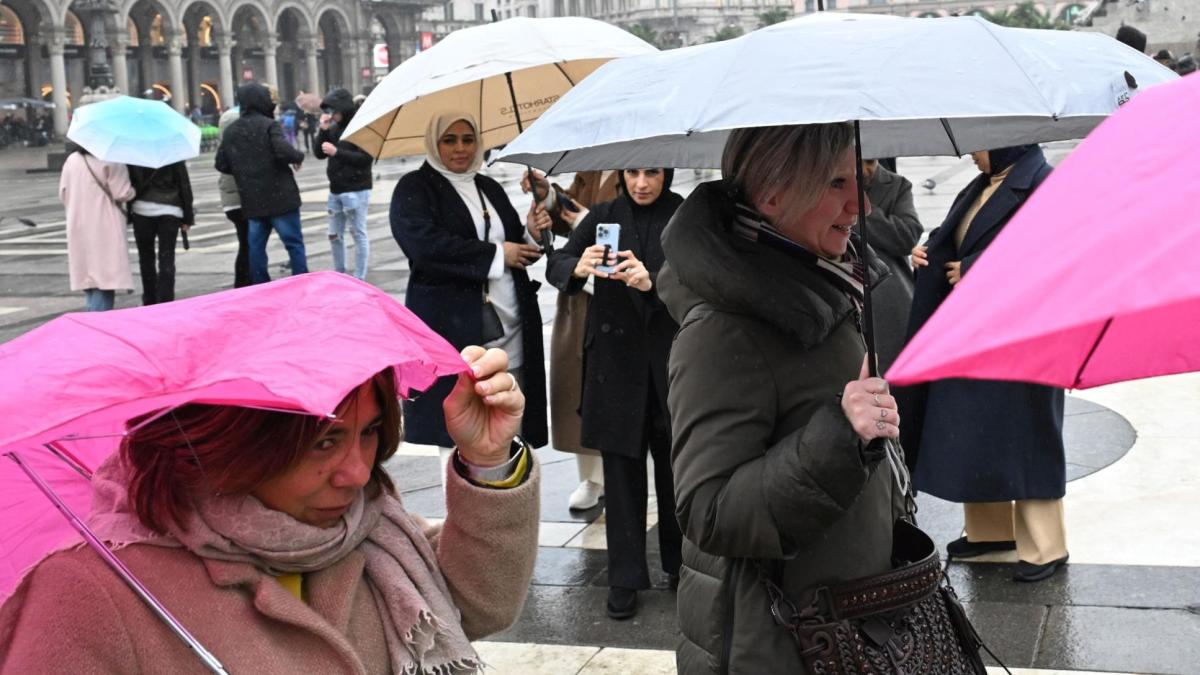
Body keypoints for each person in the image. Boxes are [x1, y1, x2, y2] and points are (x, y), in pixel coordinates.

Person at [0, 346, 540, 672]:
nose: (357, 472)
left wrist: (486, 459)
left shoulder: (367, 528)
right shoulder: (88, 594)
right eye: (324, 442)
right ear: (238, 445)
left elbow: (477, 605)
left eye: (370, 433)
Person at [657, 124, 903, 672]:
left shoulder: (827, 289)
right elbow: (708, 510)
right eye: (835, 182)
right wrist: (841, 433)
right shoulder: (721, 332)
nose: (859, 203)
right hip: (777, 642)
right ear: (772, 196)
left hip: (846, 626)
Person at [904, 145, 1067, 582]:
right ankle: (991, 532)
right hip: (977, 328)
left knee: (1028, 434)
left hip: (1022, 335)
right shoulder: (983, 184)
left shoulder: (1043, 183)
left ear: (1005, 142)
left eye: (980, 144)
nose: (972, 152)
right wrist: (928, 250)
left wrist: (977, 268)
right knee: (979, 429)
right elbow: (962, 234)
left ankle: (1046, 546)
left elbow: (1052, 252)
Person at [545, 168, 684, 620]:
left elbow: (705, 276)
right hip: (615, 366)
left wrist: (654, 281)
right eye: (633, 173)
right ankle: (625, 576)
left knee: (675, 470)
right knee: (622, 477)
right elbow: (556, 264)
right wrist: (577, 267)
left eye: (652, 173)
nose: (642, 183)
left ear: (667, 172)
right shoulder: (604, 214)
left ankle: (680, 566)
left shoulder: (683, 214)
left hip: (669, 361)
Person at [390, 113, 548, 468]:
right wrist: (494, 254)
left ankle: (511, 499)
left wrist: (530, 233)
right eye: (450, 140)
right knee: (459, 425)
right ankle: (465, 512)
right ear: (434, 143)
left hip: (510, 322)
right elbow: (425, 247)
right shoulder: (415, 188)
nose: (460, 148)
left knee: (510, 417)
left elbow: (512, 247)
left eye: (467, 139)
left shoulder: (487, 186)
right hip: (453, 327)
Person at [524, 169, 620, 511]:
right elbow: (568, 217)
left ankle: (631, 475)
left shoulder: (641, 165)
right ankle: (593, 477)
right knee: (582, 387)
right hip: (583, 293)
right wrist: (548, 196)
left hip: (622, 293)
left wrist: (587, 222)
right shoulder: (593, 166)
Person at [216, 83, 309, 285]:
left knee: (256, 248)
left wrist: (245, 169)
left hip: (253, 199)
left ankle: (261, 285)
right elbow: (283, 151)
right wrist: (298, 156)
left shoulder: (232, 130)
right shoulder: (268, 125)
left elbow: (221, 163)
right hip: (280, 197)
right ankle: (301, 282)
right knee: (293, 244)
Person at [861, 158, 923, 373]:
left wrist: (862, 209)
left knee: (894, 376)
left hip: (889, 299)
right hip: (849, 297)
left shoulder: (897, 185)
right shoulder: (825, 185)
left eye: (870, 161)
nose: (864, 169)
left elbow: (907, 236)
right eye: (856, 162)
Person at [59, 143, 136, 311]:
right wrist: (134, 191)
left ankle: (94, 321)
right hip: (104, 226)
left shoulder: (72, 160)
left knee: (90, 281)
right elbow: (122, 193)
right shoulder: (113, 159)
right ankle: (96, 328)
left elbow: (63, 194)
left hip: (78, 225)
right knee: (105, 280)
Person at [315, 88, 374, 280]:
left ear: (344, 108)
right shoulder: (333, 129)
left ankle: (359, 276)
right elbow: (319, 153)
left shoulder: (360, 128)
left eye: (335, 111)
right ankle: (339, 273)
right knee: (334, 235)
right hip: (336, 190)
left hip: (356, 189)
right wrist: (322, 131)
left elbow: (365, 158)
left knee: (358, 233)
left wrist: (337, 152)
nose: (332, 115)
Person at [127, 161, 194, 305]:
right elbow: (184, 184)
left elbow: (129, 182)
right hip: (170, 209)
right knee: (167, 257)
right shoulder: (172, 152)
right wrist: (188, 217)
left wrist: (128, 212)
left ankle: (149, 298)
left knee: (146, 258)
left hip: (141, 209)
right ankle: (166, 298)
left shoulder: (134, 154)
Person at [217, 104, 256, 288]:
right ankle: (244, 281)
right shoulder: (238, 150)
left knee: (246, 241)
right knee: (248, 242)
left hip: (231, 200)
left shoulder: (224, 150)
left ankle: (245, 280)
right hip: (242, 199)